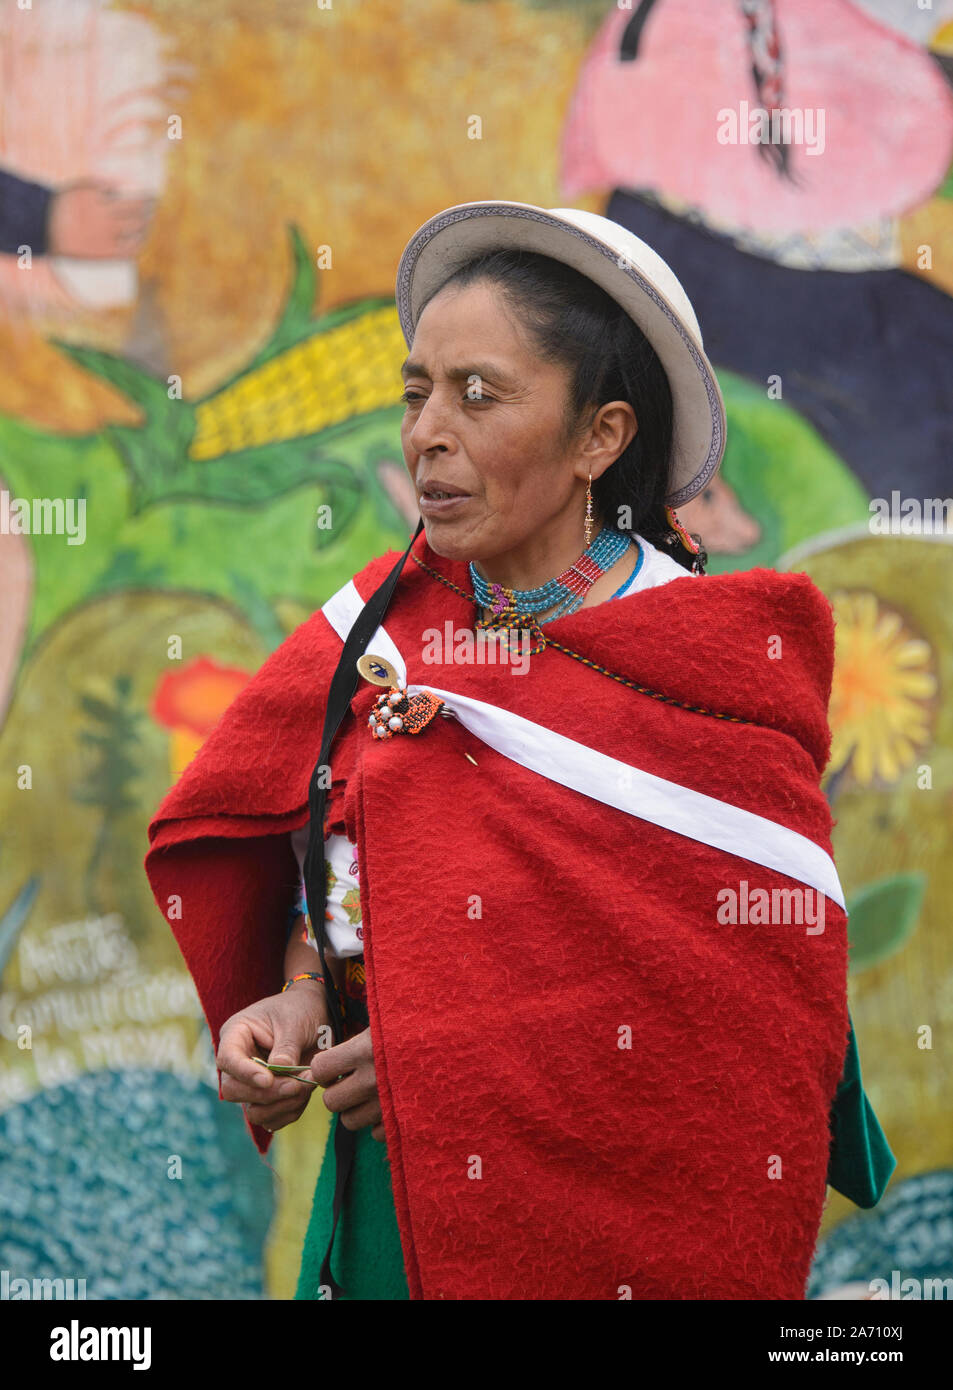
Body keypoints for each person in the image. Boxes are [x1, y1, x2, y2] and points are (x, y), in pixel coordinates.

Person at [144, 200, 894, 1301]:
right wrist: (298, 1001)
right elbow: (335, 870)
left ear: (601, 436)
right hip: (389, 1229)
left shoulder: (711, 668)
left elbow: (738, 1036)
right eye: (417, 393)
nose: (425, 433)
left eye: (477, 395)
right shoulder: (374, 636)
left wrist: (449, 1073)